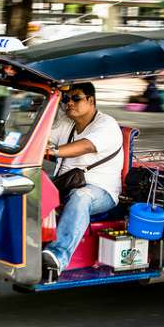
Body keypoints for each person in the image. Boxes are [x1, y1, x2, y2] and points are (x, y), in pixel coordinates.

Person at [43, 82, 123, 277]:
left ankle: (57, 256)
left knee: (81, 196)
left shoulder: (107, 125)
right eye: (66, 99)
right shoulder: (66, 123)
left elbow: (87, 145)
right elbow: (44, 137)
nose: (69, 103)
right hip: (65, 186)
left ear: (91, 100)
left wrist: (53, 151)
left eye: (76, 98)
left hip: (101, 192)